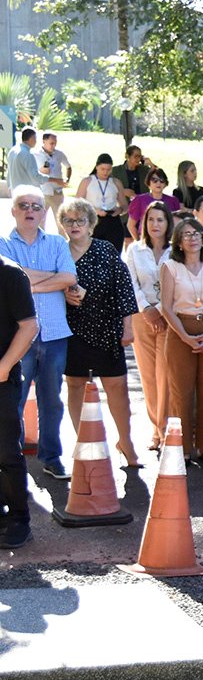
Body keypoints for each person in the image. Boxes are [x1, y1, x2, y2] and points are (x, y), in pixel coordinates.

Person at [0, 187, 76, 480]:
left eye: (36, 206)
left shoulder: (57, 243)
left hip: (55, 334)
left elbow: (69, 277)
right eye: (24, 205)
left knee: (52, 401)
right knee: (13, 403)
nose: (30, 210)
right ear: (13, 211)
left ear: (44, 212)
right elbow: (13, 281)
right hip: (18, 338)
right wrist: (52, 278)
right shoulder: (3, 244)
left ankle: (51, 458)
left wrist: (28, 281)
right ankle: (12, 462)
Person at [58, 198, 140, 468]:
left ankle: (126, 442)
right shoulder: (58, 252)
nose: (75, 225)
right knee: (75, 384)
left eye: (80, 220)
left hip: (107, 328)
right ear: (62, 224)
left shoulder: (105, 249)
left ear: (91, 223)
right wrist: (62, 293)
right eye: (69, 220)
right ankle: (84, 442)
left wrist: (128, 327)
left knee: (117, 386)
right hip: (71, 330)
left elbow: (124, 289)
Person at [159, 217, 203, 465]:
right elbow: (166, 307)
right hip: (181, 331)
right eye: (186, 234)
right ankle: (182, 448)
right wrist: (186, 337)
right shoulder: (170, 267)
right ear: (178, 241)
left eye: (196, 233)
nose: (192, 238)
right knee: (181, 392)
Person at [124, 200, 173, 450]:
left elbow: (178, 283)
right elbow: (130, 282)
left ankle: (167, 430)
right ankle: (156, 430)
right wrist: (146, 309)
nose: (155, 224)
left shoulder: (175, 250)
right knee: (148, 376)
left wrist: (161, 310)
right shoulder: (135, 249)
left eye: (160, 220)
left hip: (168, 316)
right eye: (151, 219)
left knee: (165, 375)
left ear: (168, 223)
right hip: (142, 316)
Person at [0, 252, 37, 549]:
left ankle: (19, 519)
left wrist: (3, 367)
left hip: (3, 379)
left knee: (6, 452)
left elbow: (29, 325)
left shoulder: (10, 274)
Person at [74, 153, 127, 248]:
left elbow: (125, 206)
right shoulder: (87, 181)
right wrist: (95, 210)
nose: (105, 172)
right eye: (103, 169)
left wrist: (119, 210)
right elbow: (77, 205)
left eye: (108, 169)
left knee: (113, 251)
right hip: (92, 219)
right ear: (97, 167)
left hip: (112, 220)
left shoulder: (116, 182)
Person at [127, 169, 181, 240]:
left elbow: (178, 224)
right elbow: (131, 225)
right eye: (154, 180)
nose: (158, 183)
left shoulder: (173, 200)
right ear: (148, 183)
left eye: (161, 180)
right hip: (146, 240)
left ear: (165, 184)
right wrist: (139, 242)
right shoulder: (139, 200)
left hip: (168, 240)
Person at [33, 131, 71, 214]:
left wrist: (67, 179)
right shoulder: (35, 155)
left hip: (57, 192)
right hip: (43, 192)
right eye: (51, 143)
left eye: (55, 143)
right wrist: (42, 170)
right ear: (44, 141)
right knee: (39, 218)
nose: (54, 146)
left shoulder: (59, 154)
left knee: (60, 218)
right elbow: (33, 173)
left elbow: (68, 167)